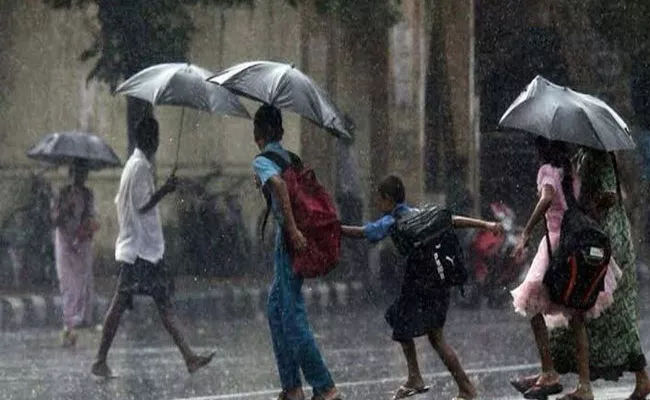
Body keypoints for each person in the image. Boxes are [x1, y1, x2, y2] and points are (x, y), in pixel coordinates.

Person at [341, 174, 503, 400]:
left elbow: (365, 232)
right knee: (434, 337)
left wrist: (334, 228)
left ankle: (423, 379)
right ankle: (460, 387)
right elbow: (451, 219)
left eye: (379, 200)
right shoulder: (419, 213)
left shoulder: (393, 220)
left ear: (388, 199)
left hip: (419, 281)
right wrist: (485, 224)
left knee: (402, 323)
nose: (378, 205)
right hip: (438, 280)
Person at [90, 116, 215, 378]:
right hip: (139, 252)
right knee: (121, 304)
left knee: (161, 303)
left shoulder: (136, 166)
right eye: (156, 137)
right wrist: (165, 190)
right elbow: (142, 205)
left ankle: (189, 357)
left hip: (143, 250)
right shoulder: (139, 168)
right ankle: (100, 359)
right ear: (149, 139)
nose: (158, 142)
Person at [510, 138, 621, 400]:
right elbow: (576, 205)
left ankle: (549, 371)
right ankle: (584, 386)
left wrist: (526, 232)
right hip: (576, 240)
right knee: (576, 314)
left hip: (556, 244)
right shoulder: (570, 171)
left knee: (531, 305)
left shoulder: (547, 171)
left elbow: (547, 198)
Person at [538, 148, 649, 400]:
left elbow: (609, 195)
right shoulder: (585, 157)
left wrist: (590, 204)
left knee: (608, 313)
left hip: (605, 237)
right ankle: (583, 379)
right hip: (597, 234)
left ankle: (630, 377)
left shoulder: (598, 158)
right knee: (598, 314)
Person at [252, 104, 341, 400]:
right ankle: (291, 387)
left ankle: (325, 387)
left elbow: (278, 186)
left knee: (291, 315)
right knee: (276, 310)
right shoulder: (291, 158)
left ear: (259, 134)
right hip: (290, 237)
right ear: (281, 131)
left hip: (289, 241)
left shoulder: (264, 160)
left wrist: (291, 230)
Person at [52, 160, 98, 347]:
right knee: (68, 283)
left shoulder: (87, 194)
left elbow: (91, 217)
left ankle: (80, 322)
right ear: (71, 174)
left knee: (82, 282)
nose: (80, 177)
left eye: (83, 174)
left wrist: (85, 227)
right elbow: (54, 219)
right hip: (64, 242)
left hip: (81, 243)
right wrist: (65, 209)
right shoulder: (62, 194)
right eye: (77, 173)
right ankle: (69, 323)